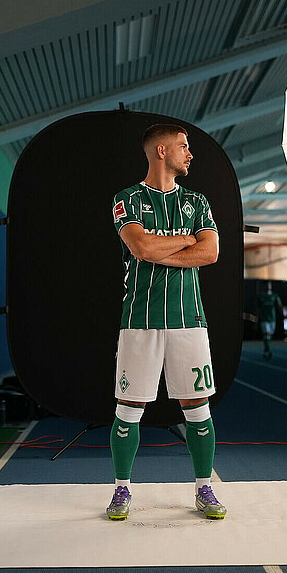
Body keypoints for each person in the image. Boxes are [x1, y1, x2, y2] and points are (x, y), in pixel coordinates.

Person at [106, 123, 225, 522]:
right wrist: (185, 241)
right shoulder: (128, 199)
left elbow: (210, 253)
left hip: (188, 318)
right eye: (183, 146)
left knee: (197, 406)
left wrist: (162, 251)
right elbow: (140, 245)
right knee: (129, 407)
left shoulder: (196, 201)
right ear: (161, 150)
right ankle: (122, 490)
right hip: (139, 319)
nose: (189, 153)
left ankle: (203, 488)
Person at [256, 282, 284, 360]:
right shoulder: (260, 297)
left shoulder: (275, 296)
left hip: (272, 319)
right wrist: (256, 319)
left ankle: (265, 351)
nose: (268, 286)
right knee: (266, 334)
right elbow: (257, 309)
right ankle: (269, 351)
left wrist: (282, 311)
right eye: (267, 285)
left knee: (269, 336)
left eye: (270, 285)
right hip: (264, 319)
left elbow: (279, 306)